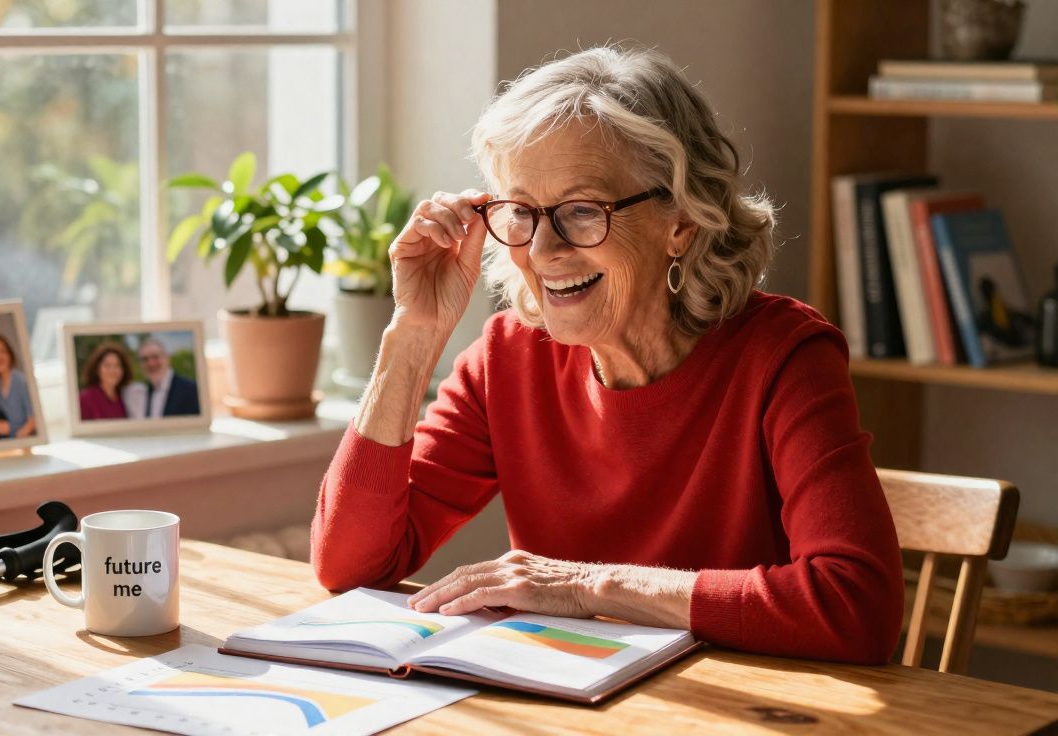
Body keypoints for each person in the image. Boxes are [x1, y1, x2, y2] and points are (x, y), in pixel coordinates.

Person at [311, 46, 904, 665]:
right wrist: (413, 333)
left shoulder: (784, 357)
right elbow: (350, 565)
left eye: (581, 212)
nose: (543, 251)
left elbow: (856, 606)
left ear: (681, 221)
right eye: (522, 212)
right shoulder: (509, 358)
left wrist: (589, 586)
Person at [133, 337, 200, 418]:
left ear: (167, 358)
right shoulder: (144, 392)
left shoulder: (191, 389)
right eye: (145, 359)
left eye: (155, 357)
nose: (151, 363)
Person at [0, 333, 37, 438]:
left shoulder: (20, 380)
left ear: (9, 354)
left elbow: (33, 420)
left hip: (21, 440)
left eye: (2, 351)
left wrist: (18, 437)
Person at [79, 342, 132, 421]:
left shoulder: (125, 398)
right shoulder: (85, 398)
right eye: (107, 365)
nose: (112, 370)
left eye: (117, 365)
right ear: (97, 369)